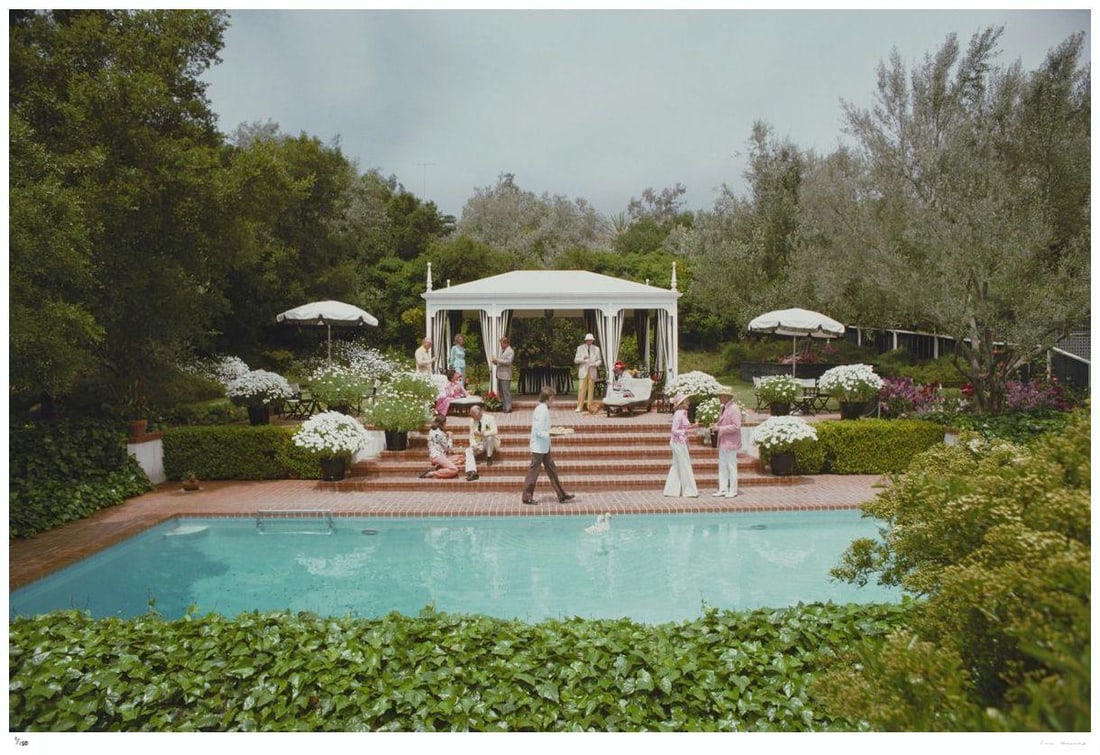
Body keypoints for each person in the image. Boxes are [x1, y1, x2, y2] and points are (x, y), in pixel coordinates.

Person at [522, 386, 575, 505]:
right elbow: (539, 431)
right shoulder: (542, 410)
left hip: (544, 446)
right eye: (552, 398)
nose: (553, 400)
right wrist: (553, 433)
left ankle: (561, 495)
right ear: (549, 398)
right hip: (539, 447)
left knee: (552, 470)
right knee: (534, 471)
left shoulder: (542, 409)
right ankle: (527, 496)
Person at [663, 392, 698, 497]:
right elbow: (674, 430)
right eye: (686, 401)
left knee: (677, 465)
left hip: (678, 442)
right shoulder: (680, 414)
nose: (689, 402)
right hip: (679, 443)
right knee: (684, 465)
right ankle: (689, 491)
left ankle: (671, 490)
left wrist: (691, 427)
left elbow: (683, 426)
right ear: (682, 403)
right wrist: (685, 432)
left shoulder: (681, 413)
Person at [712, 386, 743, 498]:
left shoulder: (734, 408)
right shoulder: (723, 408)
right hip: (723, 442)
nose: (719, 397)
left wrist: (720, 429)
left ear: (726, 396)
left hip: (731, 442)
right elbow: (723, 423)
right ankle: (723, 489)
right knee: (722, 466)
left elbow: (736, 426)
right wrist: (716, 426)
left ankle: (733, 489)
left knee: (731, 466)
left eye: (720, 395)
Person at [463, 404, 499, 481]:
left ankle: (489, 457)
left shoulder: (490, 418)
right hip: (479, 444)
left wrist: (483, 434)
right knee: (468, 451)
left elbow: (495, 431)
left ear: (480, 413)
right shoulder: (472, 421)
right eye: (472, 415)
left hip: (489, 442)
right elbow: (471, 435)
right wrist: (473, 445)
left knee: (490, 437)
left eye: (474, 415)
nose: (473, 417)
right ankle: (472, 472)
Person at [573, 333, 602, 412]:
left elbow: (599, 360)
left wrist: (595, 364)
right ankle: (579, 406)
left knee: (591, 390)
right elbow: (576, 360)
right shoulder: (580, 348)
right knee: (581, 389)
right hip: (583, 371)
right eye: (588, 340)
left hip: (592, 371)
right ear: (585, 340)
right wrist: (583, 359)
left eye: (591, 340)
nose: (590, 341)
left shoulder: (597, 349)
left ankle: (590, 407)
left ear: (593, 340)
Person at [491, 336, 514, 412]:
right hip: (500, 374)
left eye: (502, 344)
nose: (501, 345)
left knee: (506, 391)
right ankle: (504, 406)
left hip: (505, 375)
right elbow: (501, 361)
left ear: (506, 343)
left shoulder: (510, 351)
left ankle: (509, 407)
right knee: (501, 392)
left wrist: (498, 360)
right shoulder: (503, 351)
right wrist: (495, 362)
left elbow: (508, 362)